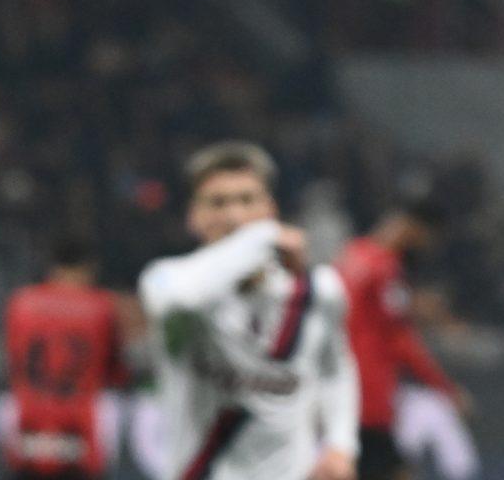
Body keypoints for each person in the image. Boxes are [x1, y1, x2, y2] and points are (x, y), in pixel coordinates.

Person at [138, 142, 358, 480]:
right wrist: (262, 238)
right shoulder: (167, 280)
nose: (234, 216)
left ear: (270, 208)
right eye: (218, 203)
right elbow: (177, 299)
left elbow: (334, 368)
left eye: (247, 200)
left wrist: (340, 444)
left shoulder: (317, 290)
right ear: (193, 217)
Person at [336, 205, 469, 480]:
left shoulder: (351, 255)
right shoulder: (384, 269)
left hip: (341, 387)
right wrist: (444, 387)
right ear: (416, 230)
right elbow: (401, 341)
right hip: (368, 394)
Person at [0, 235, 131, 480]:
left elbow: (11, 361)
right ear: (89, 267)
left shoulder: (21, 301)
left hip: (30, 426)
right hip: (78, 430)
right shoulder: (101, 305)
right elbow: (116, 371)